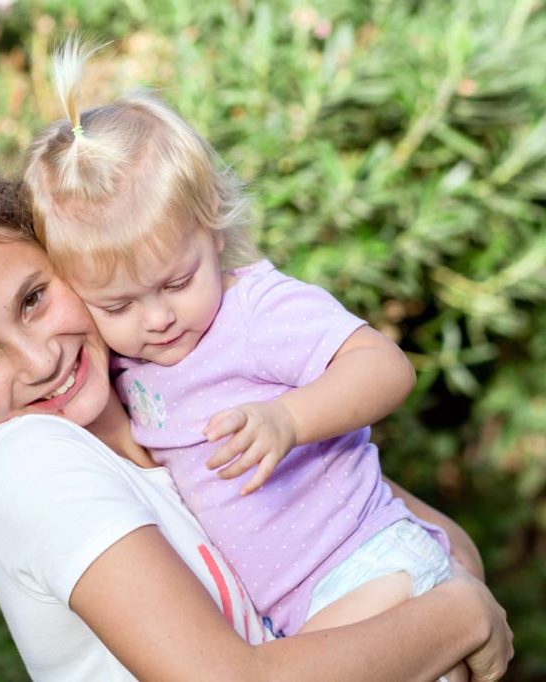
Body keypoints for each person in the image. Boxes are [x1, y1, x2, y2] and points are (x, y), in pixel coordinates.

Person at [0, 152, 511, 680]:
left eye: (34, 298)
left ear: (72, 261)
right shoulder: (29, 464)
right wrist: (458, 619)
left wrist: (446, 591)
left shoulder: (167, 396)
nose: (39, 361)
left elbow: (422, 537)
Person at [23, 42, 466, 680]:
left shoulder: (252, 310)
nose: (157, 318)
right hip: (299, 611)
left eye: (176, 282)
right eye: (117, 304)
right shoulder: (125, 368)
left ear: (216, 231)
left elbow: (385, 366)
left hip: (369, 566)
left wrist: (290, 418)